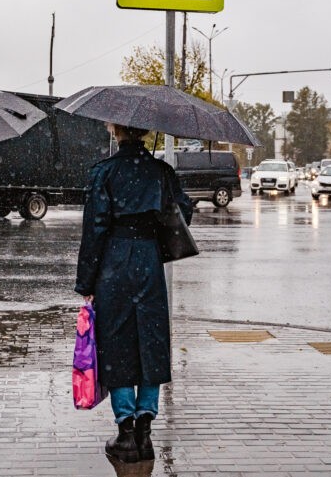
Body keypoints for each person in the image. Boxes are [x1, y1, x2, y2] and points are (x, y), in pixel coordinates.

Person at [75, 123, 193, 463]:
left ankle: (126, 431)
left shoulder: (104, 172)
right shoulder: (161, 172)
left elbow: (94, 228)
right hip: (149, 260)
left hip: (114, 261)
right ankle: (145, 429)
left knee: (117, 341)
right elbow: (183, 213)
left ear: (115, 130)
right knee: (151, 339)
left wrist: (86, 282)